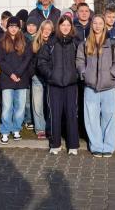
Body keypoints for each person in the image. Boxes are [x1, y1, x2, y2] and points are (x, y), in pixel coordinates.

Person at [76, 15, 115, 158]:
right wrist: (84, 73)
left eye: (100, 23)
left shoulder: (112, 44)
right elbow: (79, 61)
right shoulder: (84, 44)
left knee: (109, 117)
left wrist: (112, 74)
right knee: (91, 118)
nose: (97, 26)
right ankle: (96, 145)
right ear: (91, 25)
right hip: (90, 88)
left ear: (104, 25)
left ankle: (108, 146)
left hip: (108, 87)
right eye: (95, 23)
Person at [38, 16, 80, 155]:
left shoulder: (76, 43)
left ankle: (73, 144)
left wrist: (76, 75)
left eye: (68, 25)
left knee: (71, 114)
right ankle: (55, 144)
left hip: (71, 84)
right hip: (54, 85)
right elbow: (42, 62)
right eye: (63, 25)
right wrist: (51, 75)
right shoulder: (50, 43)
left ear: (71, 27)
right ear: (58, 27)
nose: (66, 27)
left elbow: (81, 61)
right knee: (54, 114)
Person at [0, 17, 34, 144]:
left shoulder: (26, 41)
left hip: (21, 79)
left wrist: (18, 73)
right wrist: (11, 73)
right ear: (7, 28)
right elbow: (0, 60)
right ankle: (5, 131)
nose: (13, 28)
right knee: (7, 106)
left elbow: (28, 58)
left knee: (20, 107)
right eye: (11, 26)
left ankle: (16, 129)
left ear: (19, 28)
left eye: (15, 26)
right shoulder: (1, 42)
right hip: (7, 79)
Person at [31, 20, 54, 139]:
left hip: (50, 77)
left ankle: (50, 127)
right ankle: (40, 128)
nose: (46, 31)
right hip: (37, 78)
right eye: (45, 29)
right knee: (38, 104)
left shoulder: (54, 43)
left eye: (49, 29)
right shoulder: (35, 42)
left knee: (49, 104)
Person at [23, 18, 39, 130]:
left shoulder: (39, 38)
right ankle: (28, 119)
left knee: (37, 98)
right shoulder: (23, 37)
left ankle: (35, 119)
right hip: (25, 71)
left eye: (33, 25)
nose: (31, 27)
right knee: (27, 98)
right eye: (29, 25)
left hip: (37, 71)